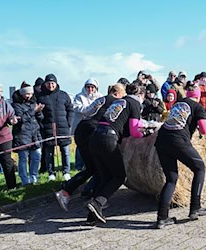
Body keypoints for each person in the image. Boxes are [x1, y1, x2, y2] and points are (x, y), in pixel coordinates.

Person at [55, 84, 126, 214]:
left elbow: (87, 111)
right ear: (119, 93)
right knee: (98, 168)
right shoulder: (117, 102)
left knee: (92, 167)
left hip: (82, 128)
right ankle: (90, 198)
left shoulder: (101, 99)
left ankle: (88, 196)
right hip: (93, 131)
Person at [86, 84, 151, 224]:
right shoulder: (135, 104)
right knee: (120, 176)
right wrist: (146, 134)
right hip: (108, 139)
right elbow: (134, 131)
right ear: (141, 95)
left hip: (94, 138)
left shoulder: (119, 102)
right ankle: (97, 203)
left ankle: (92, 215)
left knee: (105, 177)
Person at [154, 85, 206, 229]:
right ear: (197, 96)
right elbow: (204, 129)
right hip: (178, 141)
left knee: (171, 179)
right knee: (200, 168)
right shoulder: (198, 107)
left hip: (161, 140)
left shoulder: (178, 104)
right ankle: (195, 207)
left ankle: (162, 218)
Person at [37, 74, 74, 181]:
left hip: (63, 128)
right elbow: (38, 114)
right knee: (49, 153)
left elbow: (70, 109)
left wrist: (68, 123)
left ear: (56, 83)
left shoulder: (63, 95)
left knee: (65, 152)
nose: (50, 85)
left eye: (52, 83)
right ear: (45, 84)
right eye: (48, 83)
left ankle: (66, 172)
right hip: (48, 128)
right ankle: (51, 173)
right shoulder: (40, 97)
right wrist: (41, 121)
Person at [11, 82, 44, 186]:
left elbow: (40, 118)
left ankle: (34, 177)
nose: (29, 96)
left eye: (30, 93)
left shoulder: (34, 103)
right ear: (22, 94)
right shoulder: (16, 105)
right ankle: (24, 180)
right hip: (22, 134)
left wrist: (39, 112)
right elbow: (21, 119)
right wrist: (33, 111)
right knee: (23, 159)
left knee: (36, 157)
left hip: (35, 133)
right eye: (27, 94)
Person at [72, 78, 102, 170]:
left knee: (93, 145)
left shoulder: (100, 97)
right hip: (81, 125)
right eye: (88, 87)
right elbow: (78, 109)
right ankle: (79, 166)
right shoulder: (79, 96)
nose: (90, 89)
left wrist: (91, 109)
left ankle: (93, 165)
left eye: (92, 87)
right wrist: (92, 108)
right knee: (80, 146)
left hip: (94, 124)